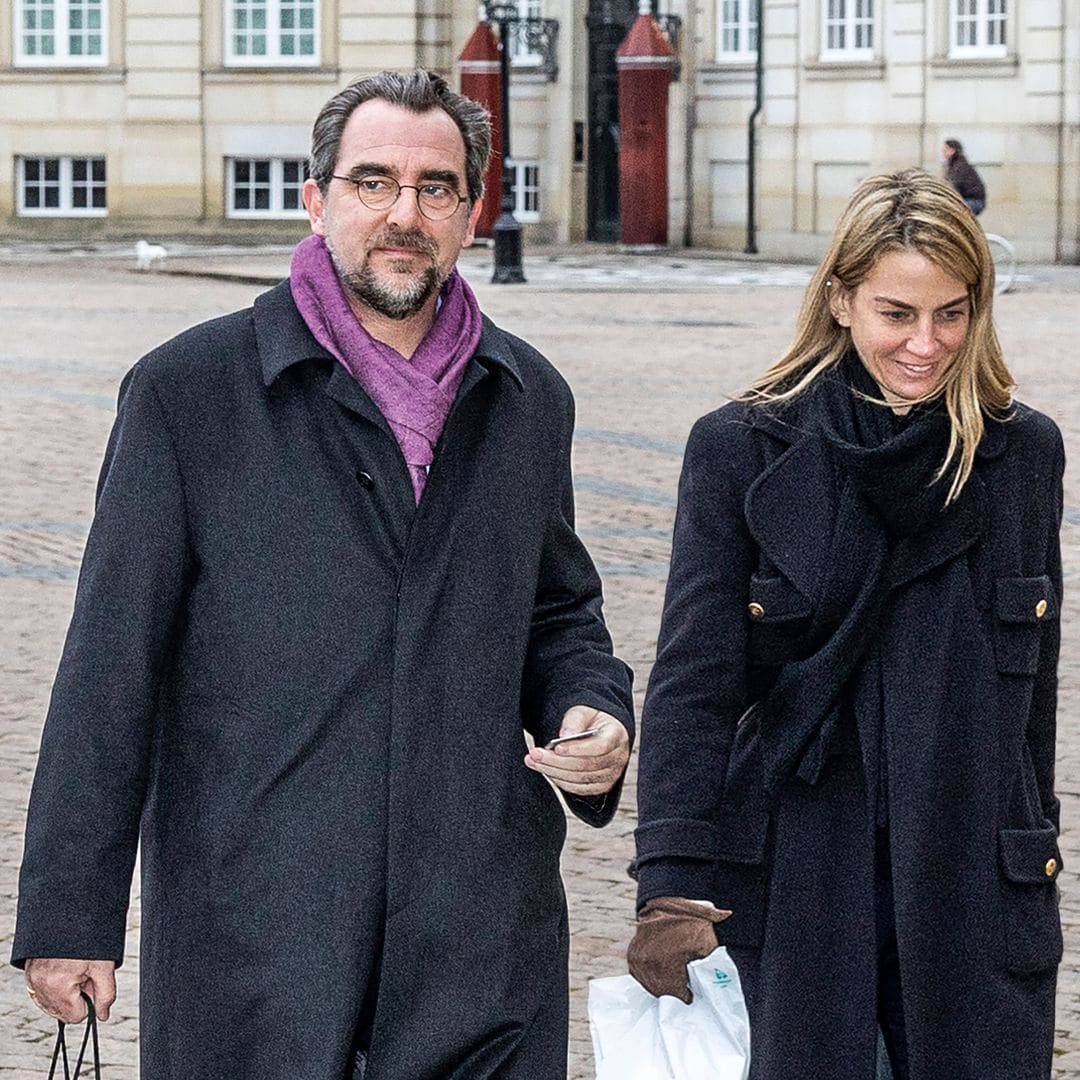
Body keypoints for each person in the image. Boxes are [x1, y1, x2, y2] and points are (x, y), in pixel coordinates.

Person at [12, 69, 635, 1080]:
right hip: (256, 932)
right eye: (373, 181)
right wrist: (68, 916)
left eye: (437, 188)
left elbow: (558, 613)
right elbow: (109, 665)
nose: (404, 213)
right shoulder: (189, 394)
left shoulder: (527, 400)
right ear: (317, 199)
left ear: (473, 212)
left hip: (476, 935)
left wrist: (594, 709)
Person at [627, 169, 1063, 1079]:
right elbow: (695, 681)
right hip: (799, 871)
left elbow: (1033, 699)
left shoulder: (1023, 453)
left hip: (973, 878)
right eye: (896, 313)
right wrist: (669, 878)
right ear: (839, 299)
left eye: (953, 313)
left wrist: (1033, 851)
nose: (926, 343)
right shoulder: (741, 448)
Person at [944, 138, 987, 216]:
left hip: (974, 201)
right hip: (968, 200)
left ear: (953, 150)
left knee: (948, 210)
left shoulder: (959, 166)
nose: (943, 152)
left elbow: (954, 187)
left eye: (946, 149)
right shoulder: (954, 165)